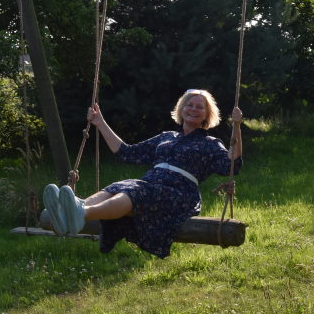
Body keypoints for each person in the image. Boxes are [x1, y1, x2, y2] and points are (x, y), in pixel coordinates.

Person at [42, 89, 243, 258]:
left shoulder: (210, 144)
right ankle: (71, 211)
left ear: (207, 115)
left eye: (200, 107)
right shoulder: (167, 137)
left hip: (178, 194)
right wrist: (100, 122)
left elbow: (231, 164)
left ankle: (81, 214)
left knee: (134, 192)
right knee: (120, 186)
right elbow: (127, 152)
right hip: (151, 185)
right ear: (181, 109)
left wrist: (236, 126)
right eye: (190, 104)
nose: (194, 109)